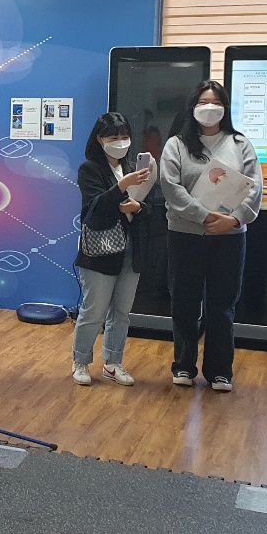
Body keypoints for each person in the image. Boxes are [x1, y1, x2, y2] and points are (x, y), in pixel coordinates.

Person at [159, 80, 262, 392]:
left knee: (222, 305)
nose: (209, 108)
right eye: (203, 102)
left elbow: (254, 186)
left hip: (229, 236)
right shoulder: (176, 144)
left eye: (215, 102)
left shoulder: (240, 144)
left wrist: (233, 219)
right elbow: (171, 187)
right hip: (185, 234)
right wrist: (203, 216)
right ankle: (183, 366)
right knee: (184, 303)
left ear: (225, 108)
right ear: (193, 107)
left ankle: (220, 371)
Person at [71, 112, 151, 386]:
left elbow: (150, 207)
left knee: (122, 312)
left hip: (131, 249)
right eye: (114, 137)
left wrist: (139, 207)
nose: (120, 142)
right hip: (100, 252)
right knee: (93, 311)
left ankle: (113, 362)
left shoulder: (132, 167)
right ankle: (81, 361)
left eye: (124, 137)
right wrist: (122, 186)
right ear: (100, 139)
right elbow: (94, 210)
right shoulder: (90, 169)